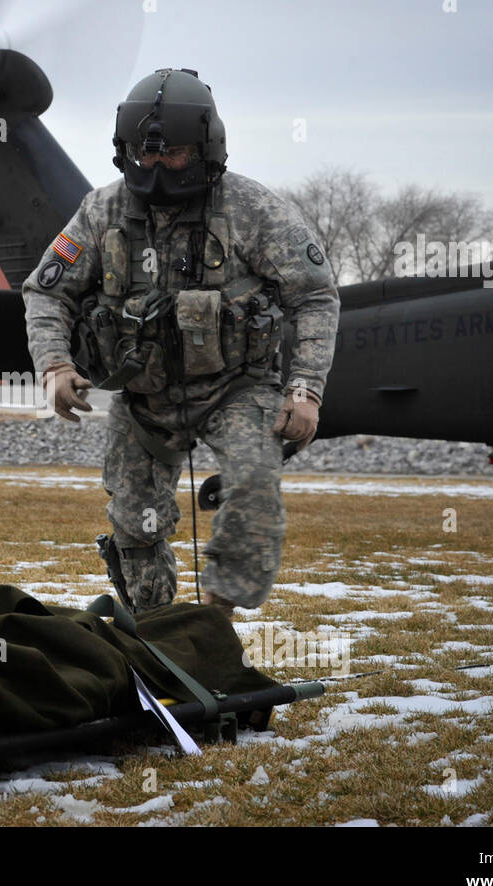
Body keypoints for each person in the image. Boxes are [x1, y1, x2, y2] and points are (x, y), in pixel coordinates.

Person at [23, 68, 340, 617]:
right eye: (144, 153)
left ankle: (213, 622)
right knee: (133, 521)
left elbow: (313, 296)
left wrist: (306, 390)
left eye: (173, 153)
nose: (157, 165)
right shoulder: (101, 212)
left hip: (237, 390)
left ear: (205, 149)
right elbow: (48, 292)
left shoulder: (255, 211)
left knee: (254, 489)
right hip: (144, 396)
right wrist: (53, 364)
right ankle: (155, 630)